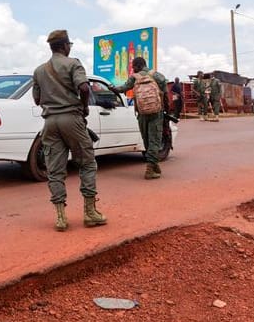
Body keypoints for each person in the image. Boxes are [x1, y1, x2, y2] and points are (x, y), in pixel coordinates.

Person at [32, 29, 107, 232]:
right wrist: (83, 107)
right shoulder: (73, 63)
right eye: (69, 45)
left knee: (55, 169)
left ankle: (60, 217)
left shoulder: (39, 70)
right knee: (87, 162)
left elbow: (36, 99)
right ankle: (90, 213)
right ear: (65, 46)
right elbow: (84, 88)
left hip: (50, 123)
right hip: (71, 119)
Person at [113, 57, 169, 180]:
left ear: (138, 66)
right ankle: (151, 167)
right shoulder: (158, 76)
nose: (133, 68)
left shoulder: (134, 77)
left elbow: (122, 88)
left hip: (142, 113)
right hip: (156, 112)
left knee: (147, 140)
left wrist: (112, 88)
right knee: (155, 140)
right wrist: (167, 113)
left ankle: (152, 167)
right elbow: (165, 95)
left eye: (133, 66)